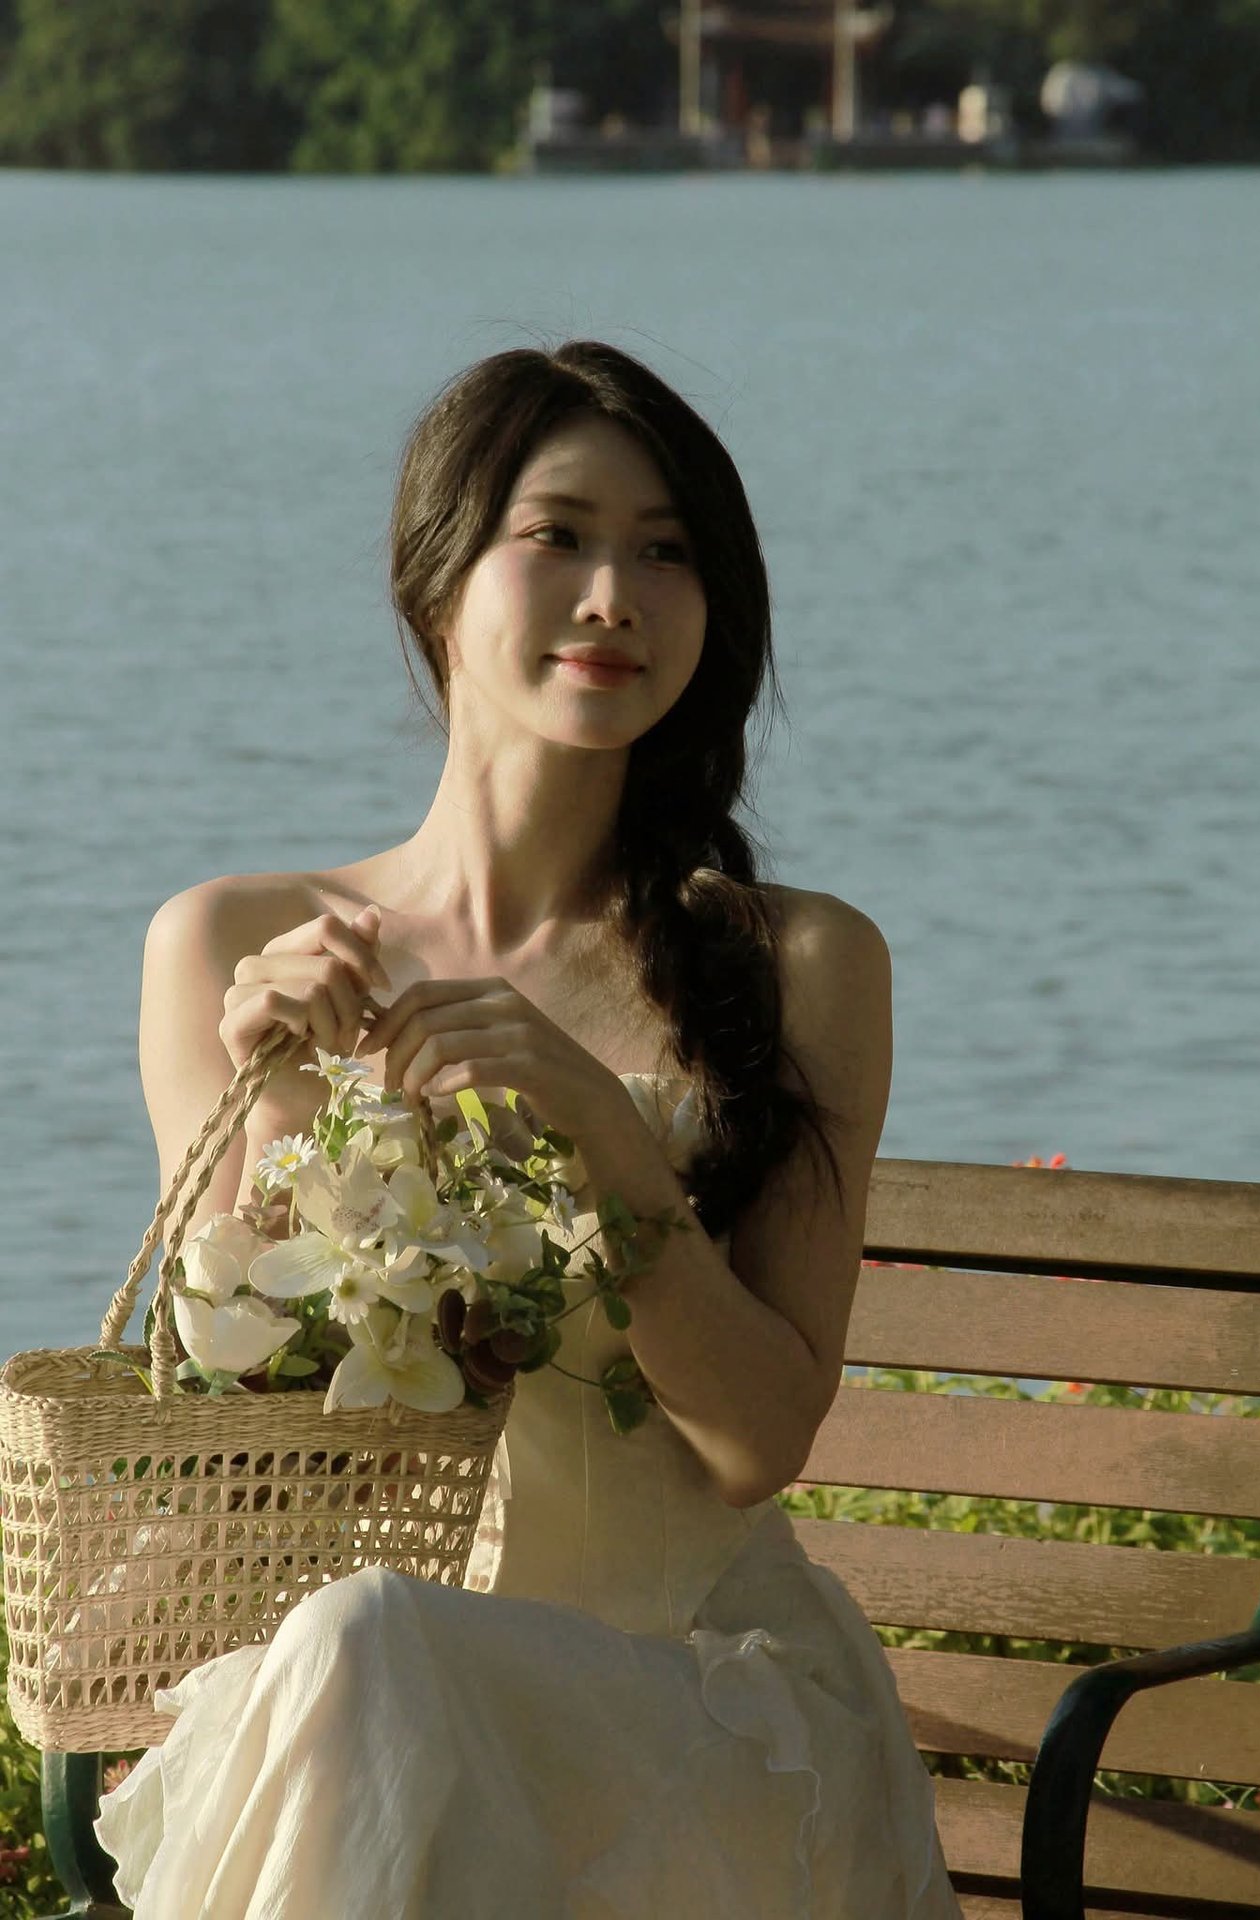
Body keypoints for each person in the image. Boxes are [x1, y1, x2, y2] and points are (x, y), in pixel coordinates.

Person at [94, 340, 961, 1918]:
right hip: (366, 1702)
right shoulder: (230, 941)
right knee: (368, 1653)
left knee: (370, 1654)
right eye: (557, 535)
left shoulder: (799, 963)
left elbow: (758, 1444)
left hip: (700, 1712)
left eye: (667, 551)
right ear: (437, 579)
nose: (614, 595)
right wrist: (265, 1108)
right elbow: (241, 1456)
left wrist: (603, 1140)